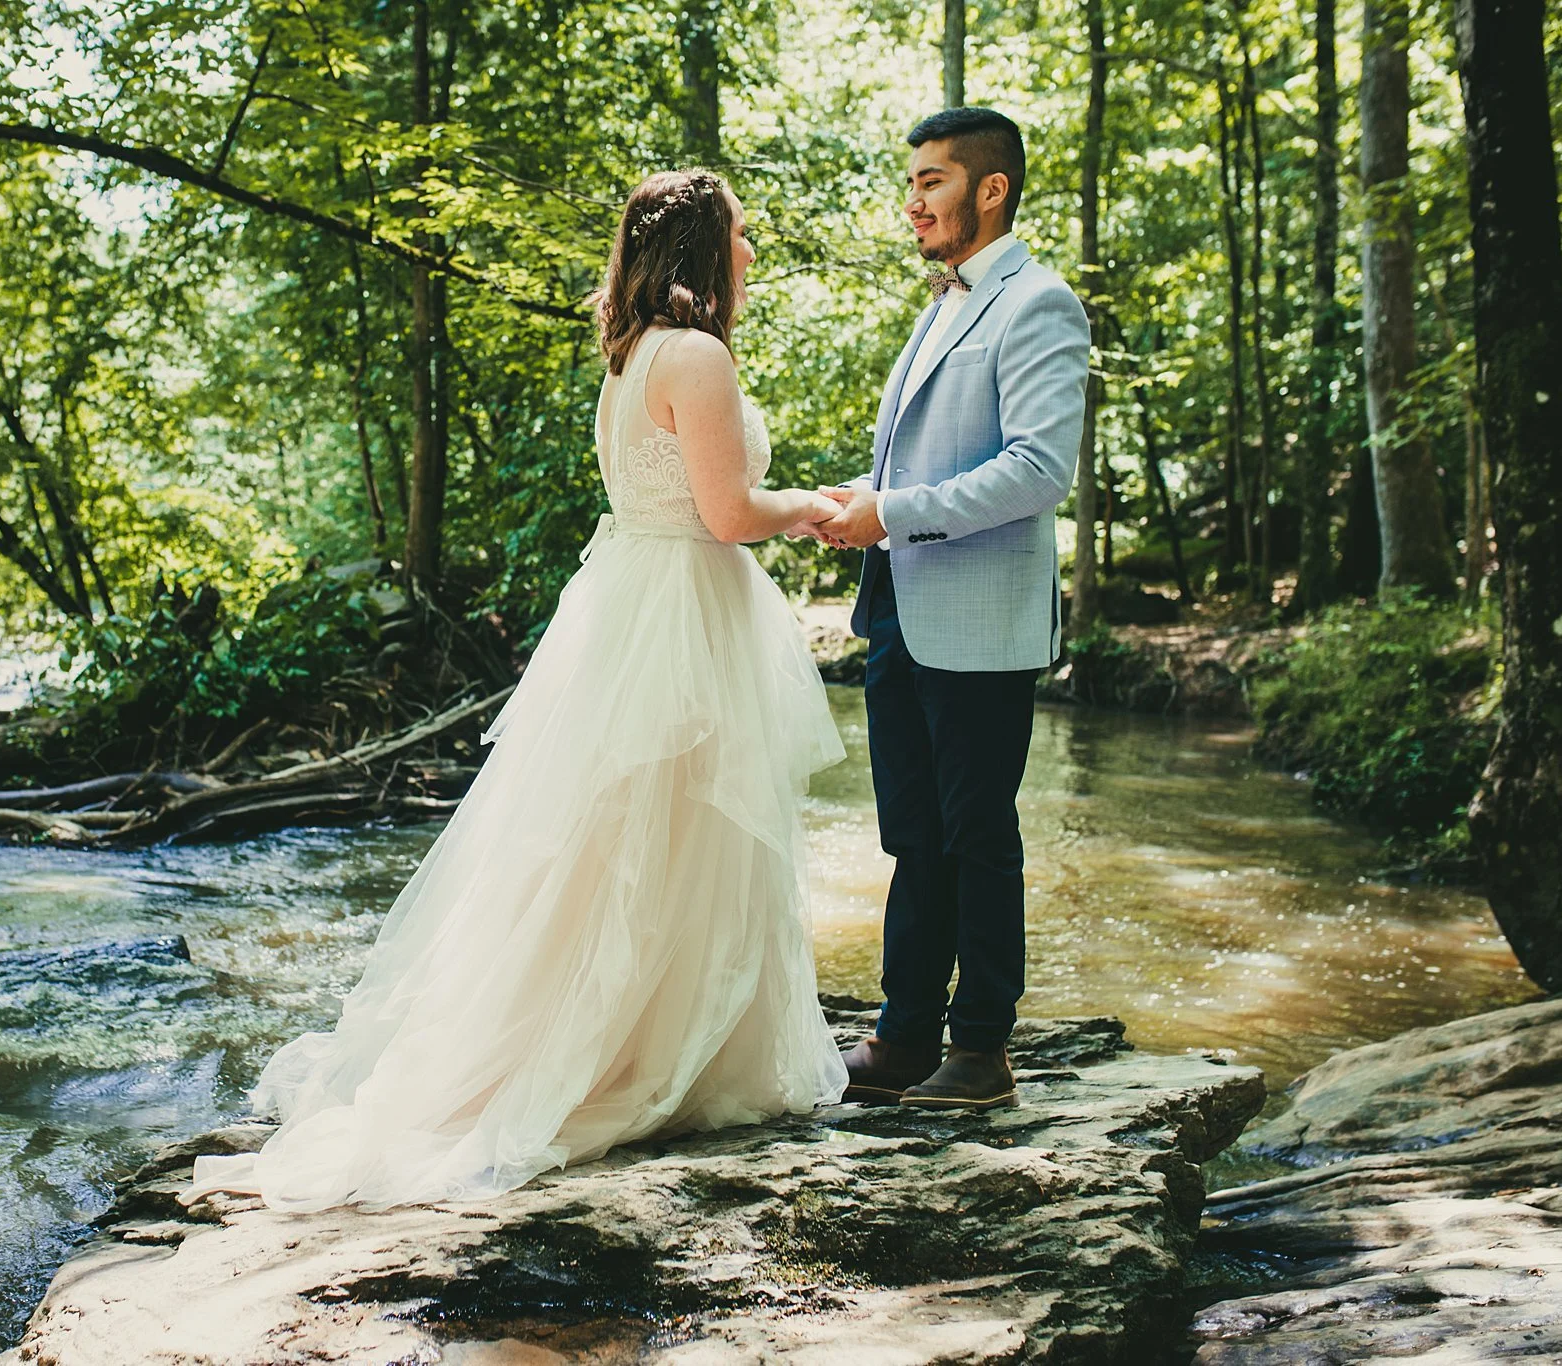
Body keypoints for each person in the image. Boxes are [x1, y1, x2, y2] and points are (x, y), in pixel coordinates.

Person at [184, 169, 848, 1212]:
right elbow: (725, 513)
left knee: (623, 839)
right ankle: (651, 1049)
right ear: (699, 251)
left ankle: (633, 1032)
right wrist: (817, 504)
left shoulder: (630, 357)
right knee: (670, 837)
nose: (750, 254)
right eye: (738, 235)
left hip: (635, 603)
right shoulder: (699, 355)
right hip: (678, 607)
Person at [813, 107, 1090, 1111]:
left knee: (976, 833)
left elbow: (1034, 470)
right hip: (895, 607)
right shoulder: (940, 304)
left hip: (975, 620)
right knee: (912, 835)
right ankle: (899, 1037)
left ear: (990, 188)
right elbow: (911, 465)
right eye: (912, 183)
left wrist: (892, 512)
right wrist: (848, 503)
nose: (911, 201)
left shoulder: (1036, 302)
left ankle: (979, 1051)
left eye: (930, 181)